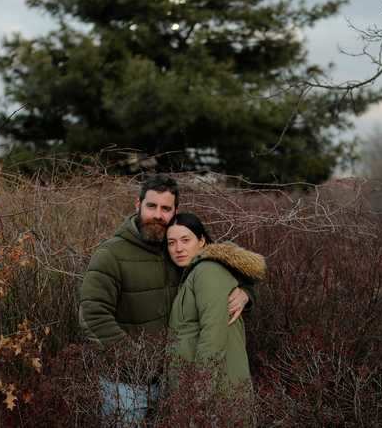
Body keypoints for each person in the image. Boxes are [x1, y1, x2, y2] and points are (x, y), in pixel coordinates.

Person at [78, 174, 254, 424]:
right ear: (137, 205)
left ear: (175, 211)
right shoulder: (110, 255)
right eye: (151, 206)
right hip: (127, 387)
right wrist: (138, 362)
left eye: (166, 208)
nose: (158, 215)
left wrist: (246, 292)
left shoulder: (176, 248)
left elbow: (221, 268)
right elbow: (92, 316)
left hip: (172, 382)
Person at [165, 212, 266, 407]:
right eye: (171, 243)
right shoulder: (193, 273)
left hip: (214, 392)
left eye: (185, 240)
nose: (178, 248)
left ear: (201, 240)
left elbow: (213, 335)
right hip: (198, 385)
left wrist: (199, 395)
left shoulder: (208, 271)